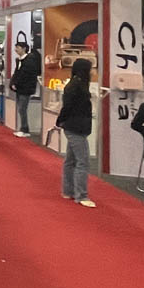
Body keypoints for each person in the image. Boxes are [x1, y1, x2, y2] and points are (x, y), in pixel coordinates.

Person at [56, 58, 95, 208]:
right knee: (82, 161)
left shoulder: (76, 85)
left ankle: (68, 191)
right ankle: (81, 195)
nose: (92, 72)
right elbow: (68, 107)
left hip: (75, 126)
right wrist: (61, 120)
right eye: (90, 69)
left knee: (71, 160)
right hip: (75, 127)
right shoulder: (76, 86)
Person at [10, 41, 40, 137]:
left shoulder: (29, 60)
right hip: (19, 88)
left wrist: (16, 83)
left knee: (22, 109)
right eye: (15, 47)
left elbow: (25, 75)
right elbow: (17, 73)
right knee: (21, 109)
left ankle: (25, 129)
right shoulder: (19, 60)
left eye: (18, 47)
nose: (16, 50)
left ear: (24, 48)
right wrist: (12, 83)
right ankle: (23, 128)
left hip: (26, 88)